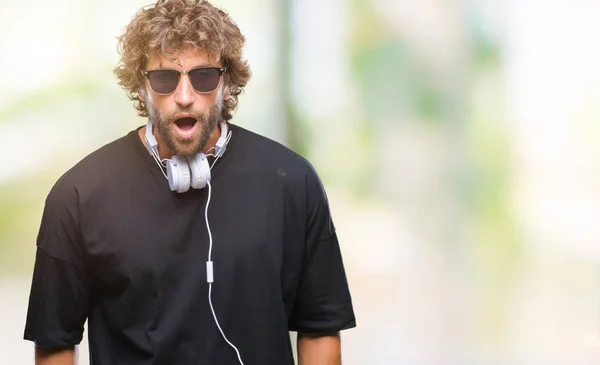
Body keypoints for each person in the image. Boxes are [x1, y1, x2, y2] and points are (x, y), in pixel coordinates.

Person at [22, 0, 356, 364]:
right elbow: (55, 341)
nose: (184, 96)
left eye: (203, 76)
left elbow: (320, 327)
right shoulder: (77, 196)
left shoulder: (293, 182)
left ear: (226, 83)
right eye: (165, 78)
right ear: (141, 87)